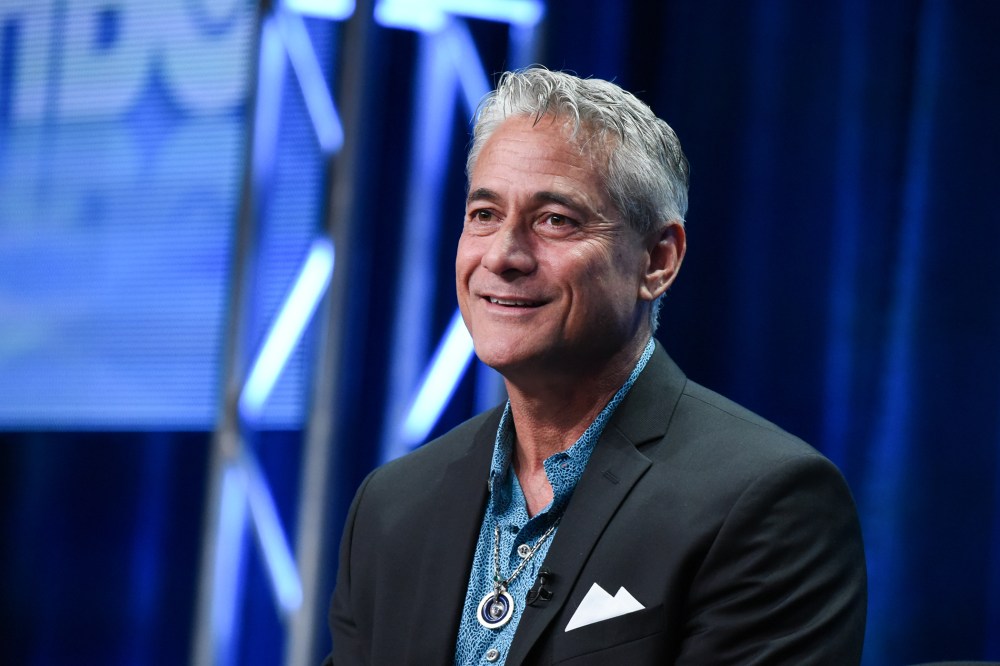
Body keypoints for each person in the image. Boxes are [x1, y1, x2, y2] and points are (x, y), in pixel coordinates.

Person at [326, 67, 866, 665]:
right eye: (484, 214)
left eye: (556, 219)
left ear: (657, 261)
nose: (502, 255)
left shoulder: (767, 502)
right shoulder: (393, 504)